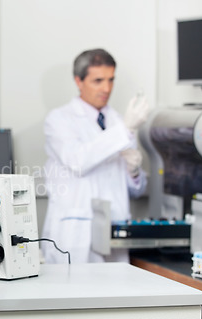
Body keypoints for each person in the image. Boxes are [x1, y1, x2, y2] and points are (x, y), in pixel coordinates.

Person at [41, 48, 148, 264]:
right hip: (76, 234)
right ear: (79, 81)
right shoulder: (60, 120)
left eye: (111, 80)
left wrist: (134, 173)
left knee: (116, 296)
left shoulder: (119, 121)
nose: (106, 88)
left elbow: (137, 191)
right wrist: (124, 131)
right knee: (74, 293)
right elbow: (78, 160)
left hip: (114, 233)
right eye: (98, 80)